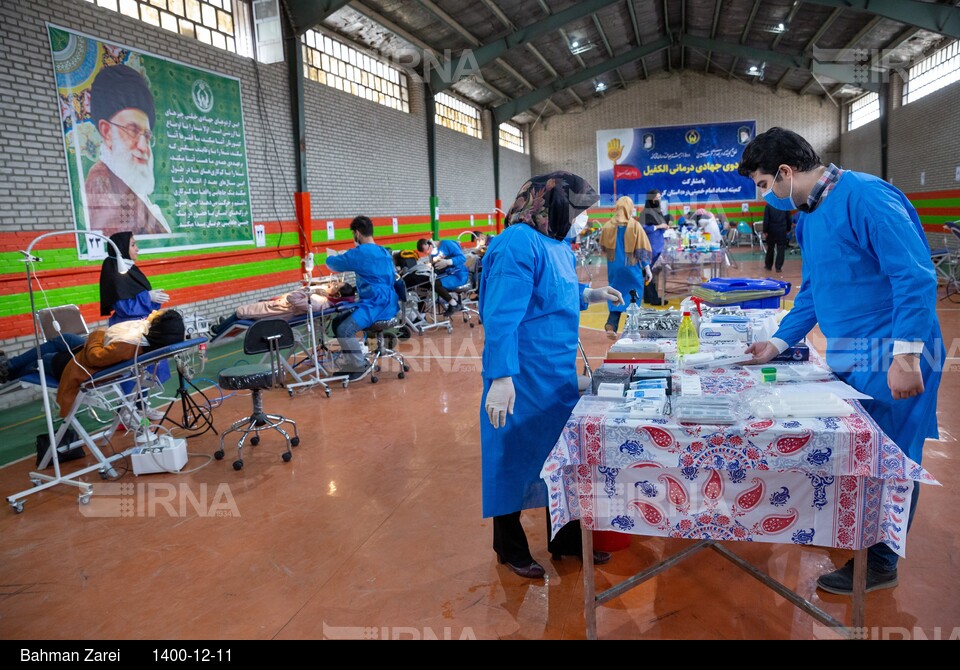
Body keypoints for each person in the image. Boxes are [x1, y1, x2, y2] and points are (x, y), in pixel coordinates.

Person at [739, 127, 943, 596]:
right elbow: (813, 291)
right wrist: (775, 342)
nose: (763, 195)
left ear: (786, 172)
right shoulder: (811, 218)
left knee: (892, 457)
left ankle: (881, 561)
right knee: (859, 451)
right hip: (850, 353)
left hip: (894, 351)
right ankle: (862, 535)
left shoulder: (866, 197)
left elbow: (912, 276)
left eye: (763, 184)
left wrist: (908, 355)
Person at [480, 171, 623, 579]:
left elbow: (553, 292)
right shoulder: (516, 243)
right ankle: (508, 547)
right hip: (520, 375)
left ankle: (563, 538)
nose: (582, 220)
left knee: (557, 460)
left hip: (555, 373)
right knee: (511, 458)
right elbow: (501, 316)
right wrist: (501, 376)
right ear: (552, 205)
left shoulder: (557, 245)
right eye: (577, 211)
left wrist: (589, 295)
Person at [85, 63, 170, 238]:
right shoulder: (100, 184)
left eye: (146, 136)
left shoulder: (132, 187)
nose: (143, 147)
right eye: (132, 131)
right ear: (107, 132)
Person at [56, 310, 184, 418]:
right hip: (93, 353)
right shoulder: (147, 341)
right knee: (66, 338)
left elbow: (94, 357)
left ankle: (36, 364)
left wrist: (98, 333)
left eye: (157, 314)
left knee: (49, 355)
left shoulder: (129, 344)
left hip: (80, 366)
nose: (153, 311)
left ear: (157, 328)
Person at [326, 216, 397, 380]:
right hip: (388, 302)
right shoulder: (383, 251)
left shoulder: (360, 253)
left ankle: (359, 366)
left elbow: (333, 264)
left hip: (376, 304)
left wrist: (333, 256)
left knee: (345, 329)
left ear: (357, 233)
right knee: (337, 322)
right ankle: (351, 362)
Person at [600, 195, 653, 339]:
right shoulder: (635, 226)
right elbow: (642, 250)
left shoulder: (608, 226)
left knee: (615, 295)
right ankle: (629, 329)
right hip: (631, 267)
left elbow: (603, 248)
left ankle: (611, 324)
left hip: (614, 268)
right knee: (633, 298)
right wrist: (647, 268)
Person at [209, 284, 350, 336]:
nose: (332, 284)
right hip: (280, 308)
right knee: (244, 312)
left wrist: (311, 289)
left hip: (279, 312)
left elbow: (292, 298)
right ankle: (225, 325)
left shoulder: (318, 303)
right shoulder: (326, 302)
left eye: (335, 286)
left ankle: (217, 330)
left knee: (241, 312)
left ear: (336, 295)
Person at [99, 231, 169, 326]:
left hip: (141, 323)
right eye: (133, 245)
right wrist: (148, 297)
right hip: (127, 328)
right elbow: (125, 308)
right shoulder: (115, 274)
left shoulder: (131, 269)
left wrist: (154, 300)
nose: (137, 249)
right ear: (121, 248)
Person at [0, 333, 87, 385]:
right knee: (66, 338)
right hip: (87, 355)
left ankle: (7, 370)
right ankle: (7, 367)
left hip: (78, 366)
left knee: (43, 359)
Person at [416, 238, 468, 315]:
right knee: (424, 282)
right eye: (426, 253)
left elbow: (462, 258)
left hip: (458, 274)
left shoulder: (447, 244)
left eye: (428, 250)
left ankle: (454, 304)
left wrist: (448, 262)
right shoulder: (433, 252)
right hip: (446, 274)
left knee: (435, 283)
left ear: (430, 244)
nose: (428, 253)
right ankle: (420, 315)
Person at [640, 189, 670, 306]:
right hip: (650, 247)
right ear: (651, 199)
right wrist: (658, 226)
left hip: (658, 247)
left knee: (651, 272)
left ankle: (648, 297)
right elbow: (644, 228)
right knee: (648, 272)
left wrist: (664, 226)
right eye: (657, 198)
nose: (659, 200)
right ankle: (653, 298)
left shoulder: (657, 212)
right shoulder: (645, 213)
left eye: (660, 198)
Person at [762, 202, 792, 273]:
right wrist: (788, 229)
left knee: (770, 248)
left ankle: (768, 266)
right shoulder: (785, 205)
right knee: (781, 248)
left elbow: (766, 219)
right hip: (782, 229)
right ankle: (778, 267)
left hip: (771, 229)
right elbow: (788, 218)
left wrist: (765, 230)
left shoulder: (769, 205)